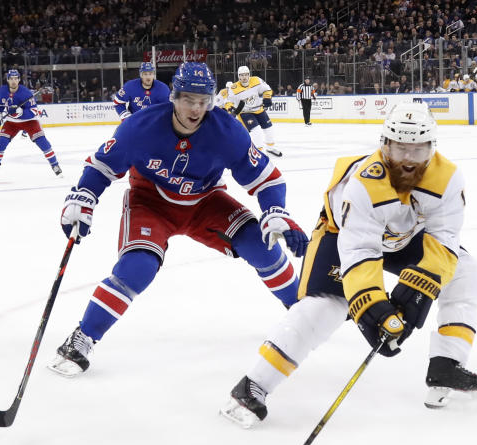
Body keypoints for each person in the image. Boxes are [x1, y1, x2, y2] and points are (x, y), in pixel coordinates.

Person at [220, 103, 477, 428]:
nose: (408, 160)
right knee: (325, 307)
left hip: (405, 237)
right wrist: (373, 306)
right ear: (384, 144)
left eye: (418, 150)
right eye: (399, 148)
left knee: (467, 273)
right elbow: (359, 249)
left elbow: (444, 237)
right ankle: (253, 385)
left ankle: (446, 368)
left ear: (432, 148)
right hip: (343, 236)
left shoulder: (447, 178)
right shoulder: (363, 183)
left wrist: (419, 286)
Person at [49, 62, 309, 376]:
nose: (196, 108)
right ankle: (82, 337)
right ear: (174, 97)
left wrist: (275, 212)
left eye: (204, 101)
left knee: (262, 247)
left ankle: (300, 311)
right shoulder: (140, 127)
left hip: (206, 202)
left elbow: (267, 179)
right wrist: (84, 196)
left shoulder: (227, 131)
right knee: (137, 267)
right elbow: (103, 166)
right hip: (151, 201)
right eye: (189, 99)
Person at [0, 70, 61, 179]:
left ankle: (55, 165)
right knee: (0, 144)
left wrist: (20, 112)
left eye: (16, 78)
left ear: (19, 79)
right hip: (11, 123)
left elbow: (35, 111)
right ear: (7, 79)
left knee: (43, 143)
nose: (13, 81)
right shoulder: (2, 90)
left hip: (29, 122)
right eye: (11, 79)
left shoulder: (25, 92)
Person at [228, 65, 282, 157]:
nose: (244, 77)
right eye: (241, 75)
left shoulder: (256, 80)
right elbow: (229, 101)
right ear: (238, 76)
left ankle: (270, 148)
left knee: (269, 129)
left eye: (246, 75)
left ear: (249, 74)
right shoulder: (233, 88)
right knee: (256, 131)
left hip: (259, 109)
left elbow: (267, 89)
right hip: (245, 112)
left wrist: (267, 98)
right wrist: (231, 110)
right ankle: (258, 152)